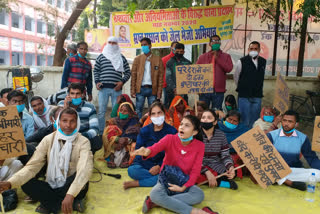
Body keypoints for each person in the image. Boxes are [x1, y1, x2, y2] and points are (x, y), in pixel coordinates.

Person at [0, 107, 93, 214]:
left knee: (81, 179)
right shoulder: (48, 139)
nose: (68, 125)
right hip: (52, 182)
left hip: (71, 184)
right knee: (27, 184)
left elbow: (84, 170)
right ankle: (64, 202)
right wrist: (10, 182)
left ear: (77, 123)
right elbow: (32, 166)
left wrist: (70, 193)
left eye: (72, 121)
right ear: (58, 122)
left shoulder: (83, 142)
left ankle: (50, 203)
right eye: (64, 121)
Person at [132, 115, 218, 214]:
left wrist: (183, 187)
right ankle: (198, 212)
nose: (181, 127)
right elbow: (154, 148)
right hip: (166, 180)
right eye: (181, 124)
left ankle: (155, 202)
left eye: (187, 125)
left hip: (183, 181)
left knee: (199, 195)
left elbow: (195, 171)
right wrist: (147, 152)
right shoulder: (169, 139)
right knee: (155, 194)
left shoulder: (200, 146)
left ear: (194, 132)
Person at [123, 102, 177, 189]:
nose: (157, 116)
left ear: (164, 113)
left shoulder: (172, 131)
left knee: (172, 173)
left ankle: (137, 183)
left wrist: (159, 166)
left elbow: (173, 155)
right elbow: (138, 152)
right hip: (146, 164)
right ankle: (157, 179)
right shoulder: (144, 131)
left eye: (159, 113)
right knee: (132, 170)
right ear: (150, 117)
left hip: (164, 166)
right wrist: (150, 168)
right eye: (153, 114)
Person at [267, 110, 320, 190]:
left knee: (317, 174)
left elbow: (311, 158)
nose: (286, 124)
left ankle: (282, 180)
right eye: (284, 120)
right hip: (275, 170)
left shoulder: (303, 138)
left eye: (290, 121)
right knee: (267, 172)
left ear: (296, 124)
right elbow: (264, 158)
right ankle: (287, 182)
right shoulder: (271, 135)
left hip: (293, 171)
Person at [94, 37, 131, 133]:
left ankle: (115, 131)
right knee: (101, 112)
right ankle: (101, 133)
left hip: (116, 89)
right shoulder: (101, 56)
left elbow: (128, 72)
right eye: (109, 42)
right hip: (103, 89)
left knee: (116, 112)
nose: (111, 45)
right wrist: (97, 82)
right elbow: (96, 70)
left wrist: (122, 82)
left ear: (117, 44)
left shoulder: (121, 57)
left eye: (113, 43)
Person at [197, 110, 237, 190]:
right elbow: (193, 158)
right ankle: (219, 183)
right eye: (203, 117)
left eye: (209, 118)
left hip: (215, 163)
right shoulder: (196, 135)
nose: (205, 120)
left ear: (215, 122)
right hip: (198, 164)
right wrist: (207, 172)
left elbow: (225, 155)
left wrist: (230, 167)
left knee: (233, 172)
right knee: (190, 175)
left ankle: (213, 180)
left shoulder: (221, 135)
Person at [58, 83, 101, 154]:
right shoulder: (62, 104)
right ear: (68, 95)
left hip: (83, 137)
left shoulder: (89, 107)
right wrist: (66, 107)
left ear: (82, 95)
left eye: (78, 94)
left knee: (97, 140)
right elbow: (57, 125)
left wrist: (79, 137)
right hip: (65, 136)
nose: (75, 96)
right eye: (72, 93)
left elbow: (95, 129)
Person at [234, 41, 266, 128]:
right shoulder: (241, 61)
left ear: (259, 50)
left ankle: (252, 139)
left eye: (256, 49)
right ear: (248, 50)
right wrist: (242, 87)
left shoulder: (263, 62)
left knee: (255, 121)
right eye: (251, 49)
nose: (253, 50)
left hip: (257, 95)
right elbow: (236, 76)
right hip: (244, 96)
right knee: (244, 120)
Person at [196, 35, 233, 110]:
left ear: (220, 43)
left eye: (218, 41)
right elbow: (197, 72)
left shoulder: (226, 56)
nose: (216, 42)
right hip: (204, 91)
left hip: (218, 91)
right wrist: (198, 88)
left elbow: (229, 69)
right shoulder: (203, 57)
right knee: (203, 111)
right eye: (213, 41)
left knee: (217, 112)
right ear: (209, 44)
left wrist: (218, 59)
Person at [131, 37, 164, 118]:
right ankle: (138, 128)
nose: (143, 47)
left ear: (150, 46)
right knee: (138, 110)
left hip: (152, 90)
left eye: (145, 45)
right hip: (140, 89)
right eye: (142, 45)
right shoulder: (137, 59)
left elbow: (160, 77)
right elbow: (134, 75)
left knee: (153, 111)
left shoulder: (157, 59)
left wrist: (159, 91)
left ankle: (151, 127)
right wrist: (133, 90)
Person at [102, 102, 140, 168]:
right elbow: (107, 134)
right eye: (121, 110)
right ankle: (111, 158)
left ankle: (126, 158)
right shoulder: (115, 120)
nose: (122, 112)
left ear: (130, 113)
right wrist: (117, 139)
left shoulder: (134, 121)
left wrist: (126, 139)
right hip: (116, 143)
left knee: (133, 144)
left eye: (125, 111)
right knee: (110, 130)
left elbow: (136, 135)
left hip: (128, 143)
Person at [218, 110, 249, 178]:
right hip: (221, 154)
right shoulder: (217, 127)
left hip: (237, 154)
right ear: (225, 118)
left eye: (235, 121)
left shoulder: (243, 129)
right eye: (230, 119)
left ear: (238, 122)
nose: (231, 122)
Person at [162, 41, 178, 108]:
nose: (175, 48)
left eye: (177, 47)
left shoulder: (181, 60)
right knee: (167, 104)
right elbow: (162, 73)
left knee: (178, 104)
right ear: (171, 48)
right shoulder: (164, 59)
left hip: (179, 86)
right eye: (174, 47)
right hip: (167, 86)